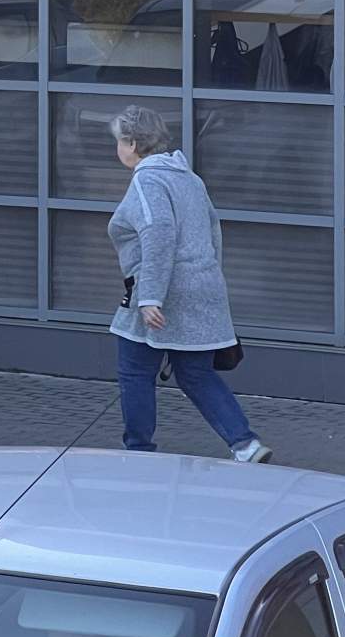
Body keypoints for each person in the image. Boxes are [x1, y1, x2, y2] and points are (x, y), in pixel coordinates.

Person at [106, 104, 270, 463]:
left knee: (134, 370)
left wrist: (150, 297)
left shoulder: (148, 180)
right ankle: (245, 444)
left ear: (132, 143)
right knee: (196, 374)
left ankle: (139, 451)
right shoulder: (189, 178)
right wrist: (208, 281)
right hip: (202, 287)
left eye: (119, 141)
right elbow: (213, 232)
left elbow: (158, 235)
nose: (117, 148)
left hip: (160, 291)